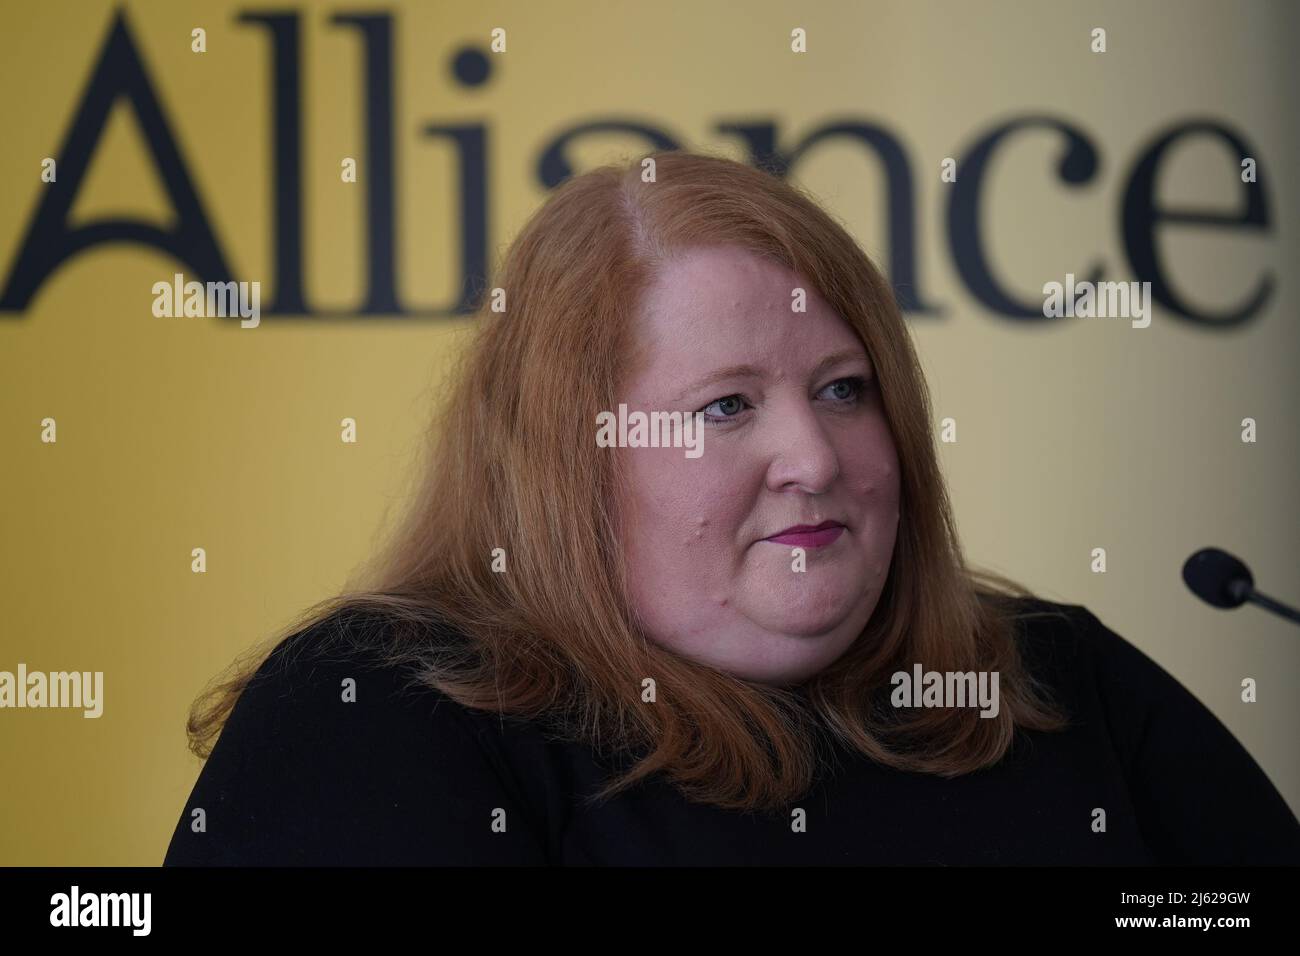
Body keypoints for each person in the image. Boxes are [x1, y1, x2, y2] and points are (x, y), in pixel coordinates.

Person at [163, 150, 1300, 866]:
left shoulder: (1051, 680)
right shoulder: (383, 707)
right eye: (724, 407)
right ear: (573, 461)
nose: (815, 453)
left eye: (844, 389)